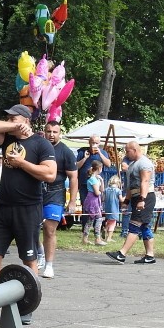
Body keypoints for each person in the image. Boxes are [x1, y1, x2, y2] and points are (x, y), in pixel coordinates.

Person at [0, 104, 56, 322]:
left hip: (28, 208)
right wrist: (13, 126)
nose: (7, 121)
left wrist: (22, 163)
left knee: (28, 258)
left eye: (12, 118)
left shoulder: (41, 144)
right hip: (2, 207)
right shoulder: (8, 139)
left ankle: (26, 306)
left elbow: (50, 174)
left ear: (24, 120)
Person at [105, 141, 157, 265]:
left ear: (134, 149)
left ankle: (122, 254)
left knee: (134, 225)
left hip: (145, 197)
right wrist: (127, 201)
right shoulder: (133, 164)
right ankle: (150, 255)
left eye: (127, 151)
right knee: (144, 226)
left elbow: (145, 182)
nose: (126, 154)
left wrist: (142, 200)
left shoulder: (145, 163)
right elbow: (130, 186)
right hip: (135, 197)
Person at [41, 119, 78, 278]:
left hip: (56, 194)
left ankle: (49, 265)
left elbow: (74, 178)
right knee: (30, 228)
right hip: (36, 193)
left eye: (55, 132)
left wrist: (72, 201)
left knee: (49, 230)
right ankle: (40, 252)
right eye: (49, 131)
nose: (51, 135)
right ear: (44, 131)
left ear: (60, 133)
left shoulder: (66, 152)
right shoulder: (38, 147)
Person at [76, 135, 112, 229]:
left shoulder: (103, 152)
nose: (94, 145)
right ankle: (85, 229)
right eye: (93, 142)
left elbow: (108, 164)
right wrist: (84, 158)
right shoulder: (83, 151)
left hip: (97, 185)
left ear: (99, 143)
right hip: (84, 183)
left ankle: (98, 228)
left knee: (97, 206)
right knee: (86, 205)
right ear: (89, 142)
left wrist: (100, 153)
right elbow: (76, 167)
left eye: (96, 143)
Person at [82, 160, 105, 245]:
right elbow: (97, 192)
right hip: (93, 201)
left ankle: (85, 238)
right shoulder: (93, 179)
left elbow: (102, 189)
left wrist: (102, 181)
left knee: (90, 220)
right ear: (99, 168)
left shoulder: (96, 179)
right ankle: (97, 239)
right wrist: (100, 192)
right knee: (98, 219)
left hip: (95, 201)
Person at [103, 175, 122, 243]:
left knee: (108, 222)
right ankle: (109, 238)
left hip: (107, 209)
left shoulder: (106, 190)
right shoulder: (118, 190)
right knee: (113, 223)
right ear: (118, 183)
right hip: (114, 210)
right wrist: (125, 197)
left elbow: (103, 199)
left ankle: (105, 229)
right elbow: (121, 200)